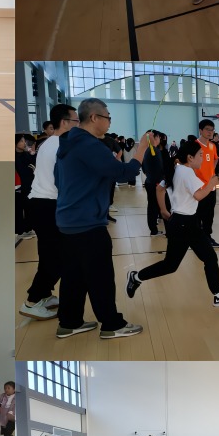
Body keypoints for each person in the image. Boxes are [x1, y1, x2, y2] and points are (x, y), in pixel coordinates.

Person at [54, 102, 145, 340]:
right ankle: (111, 325)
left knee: (73, 276)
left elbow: (57, 178)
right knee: (100, 276)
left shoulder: (68, 143)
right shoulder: (89, 145)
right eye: (108, 117)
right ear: (94, 118)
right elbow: (124, 172)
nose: (109, 121)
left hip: (68, 221)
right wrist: (141, 150)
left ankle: (69, 322)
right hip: (87, 222)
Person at [126, 139, 219, 311]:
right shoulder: (187, 172)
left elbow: (159, 189)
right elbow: (198, 195)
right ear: (190, 157)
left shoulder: (176, 169)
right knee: (184, 262)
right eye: (200, 155)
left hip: (183, 223)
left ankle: (218, 295)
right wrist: (211, 184)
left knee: (186, 262)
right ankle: (136, 277)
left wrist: (164, 210)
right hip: (184, 225)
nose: (202, 158)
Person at [21, 103, 78, 319]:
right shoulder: (60, 146)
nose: (79, 125)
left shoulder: (49, 142)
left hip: (40, 204)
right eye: (76, 121)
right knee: (55, 258)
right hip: (47, 206)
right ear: (64, 122)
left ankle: (44, 295)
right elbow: (63, 182)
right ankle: (31, 301)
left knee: (51, 255)